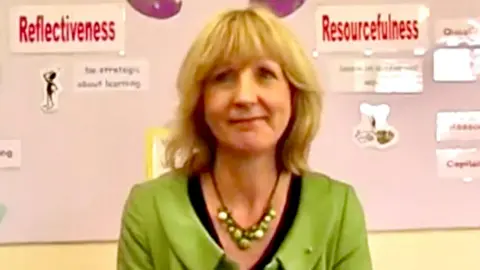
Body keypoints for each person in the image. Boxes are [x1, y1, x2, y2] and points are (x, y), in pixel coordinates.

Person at [117, 5, 373, 270]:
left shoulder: (338, 210)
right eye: (223, 77)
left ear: (294, 95)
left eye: (265, 74)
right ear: (200, 101)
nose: (245, 97)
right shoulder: (149, 211)